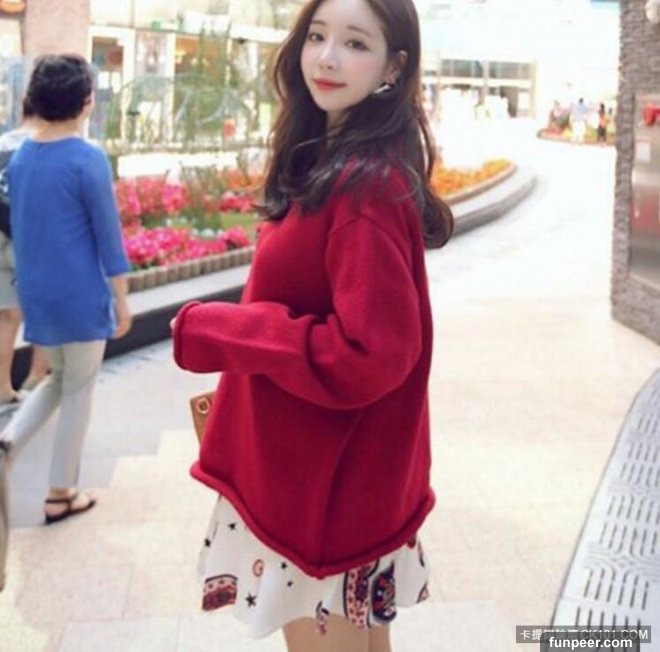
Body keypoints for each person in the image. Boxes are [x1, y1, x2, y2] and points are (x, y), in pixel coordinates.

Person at [172, 0, 453, 650]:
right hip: (333, 481)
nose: (327, 57)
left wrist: (227, 331)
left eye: (355, 43)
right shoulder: (336, 160)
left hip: (323, 496)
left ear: (393, 67)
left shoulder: (363, 186)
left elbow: (370, 354)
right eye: (318, 36)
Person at [0, 54, 131, 528]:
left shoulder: (21, 159)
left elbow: (22, 232)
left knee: (59, 379)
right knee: (78, 388)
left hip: (38, 296)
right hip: (80, 296)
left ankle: (7, 444)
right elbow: (108, 239)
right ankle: (60, 493)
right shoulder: (87, 158)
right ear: (86, 101)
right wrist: (121, 299)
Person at [0, 98, 50, 414]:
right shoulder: (43, 146)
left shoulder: (3, 143)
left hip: (0, 238)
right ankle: (35, 381)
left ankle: (3, 388)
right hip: (30, 241)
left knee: (7, 316)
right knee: (42, 314)